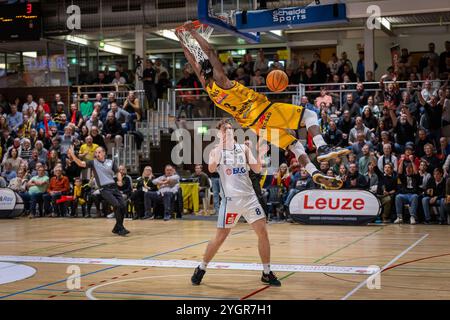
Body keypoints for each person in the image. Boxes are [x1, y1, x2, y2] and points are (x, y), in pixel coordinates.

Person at [178, 22, 349, 189]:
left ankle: (313, 173)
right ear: (216, 71)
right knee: (310, 115)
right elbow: (209, 51)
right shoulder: (223, 81)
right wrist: (193, 32)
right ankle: (322, 147)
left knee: (294, 146)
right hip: (260, 111)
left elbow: (193, 62)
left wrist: (181, 40)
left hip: (256, 126)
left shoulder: (209, 89)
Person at [190, 119, 281, 287]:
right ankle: (201, 267)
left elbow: (257, 169)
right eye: (225, 129)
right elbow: (210, 169)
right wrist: (219, 147)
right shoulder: (215, 151)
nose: (229, 131)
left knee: (263, 232)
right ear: (220, 133)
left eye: (231, 128)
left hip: (249, 198)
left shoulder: (244, 149)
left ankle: (266, 272)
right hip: (231, 201)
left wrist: (260, 154)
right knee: (220, 238)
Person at [67, 146, 130, 236]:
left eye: (99, 152)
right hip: (104, 189)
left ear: (104, 153)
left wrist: (119, 180)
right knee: (116, 205)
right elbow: (81, 163)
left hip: (114, 187)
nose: (97, 154)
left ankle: (117, 227)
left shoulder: (110, 162)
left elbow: (117, 172)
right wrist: (73, 155)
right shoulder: (93, 163)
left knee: (123, 206)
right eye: (96, 153)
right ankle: (120, 228)